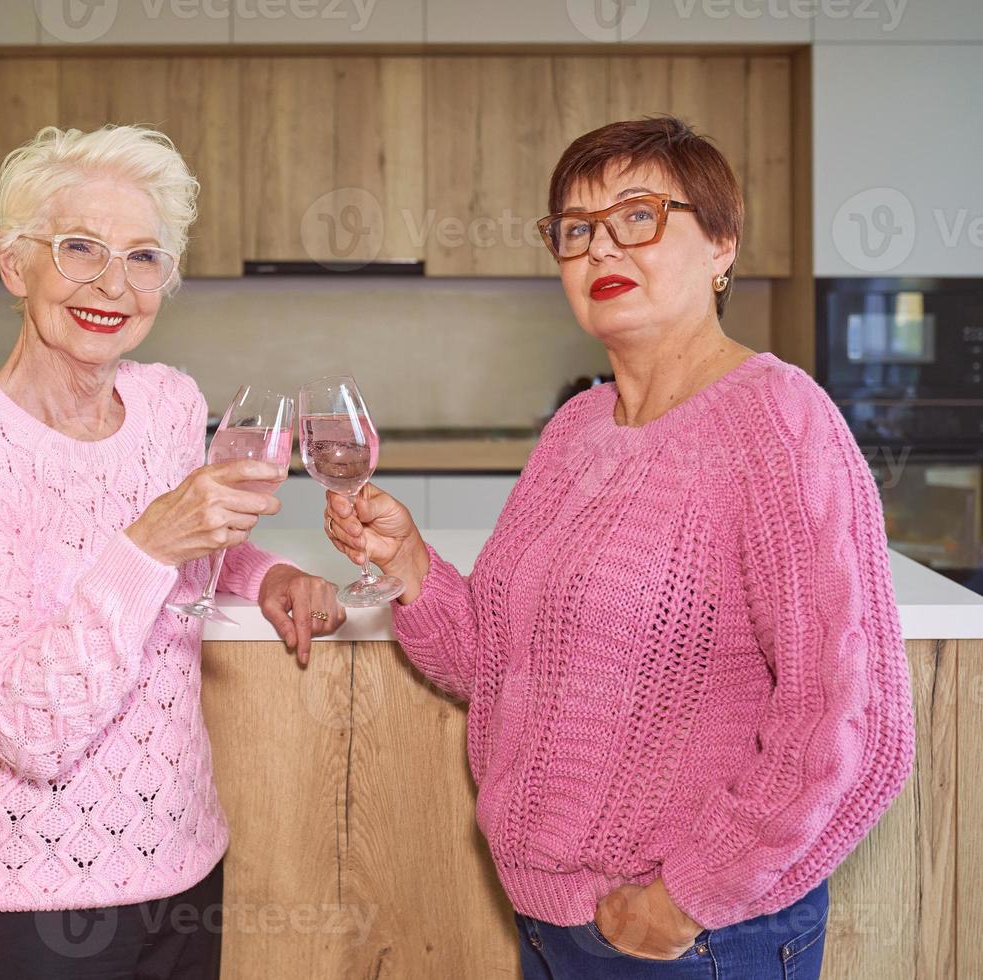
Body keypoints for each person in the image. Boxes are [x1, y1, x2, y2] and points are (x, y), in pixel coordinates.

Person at [322, 115, 916, 978]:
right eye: (575, 230)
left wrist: (685, 900)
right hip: (551, 922)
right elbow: (495, 665)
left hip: (690, 938)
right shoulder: (575, 428)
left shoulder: (774, 421)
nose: (601, 249)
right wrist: (409, 565)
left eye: (637, 216)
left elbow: (853, 727)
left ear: (720, 244)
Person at [0, 123, 345, 979]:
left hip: (182, 868)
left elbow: (187, 561)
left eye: (143, 257)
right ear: (13, 264)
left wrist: (264, 572)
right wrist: (148, 540)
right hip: (28, 904)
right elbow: (30, 730)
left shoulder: (170, 405)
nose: (113, 283)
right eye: (79, 248)